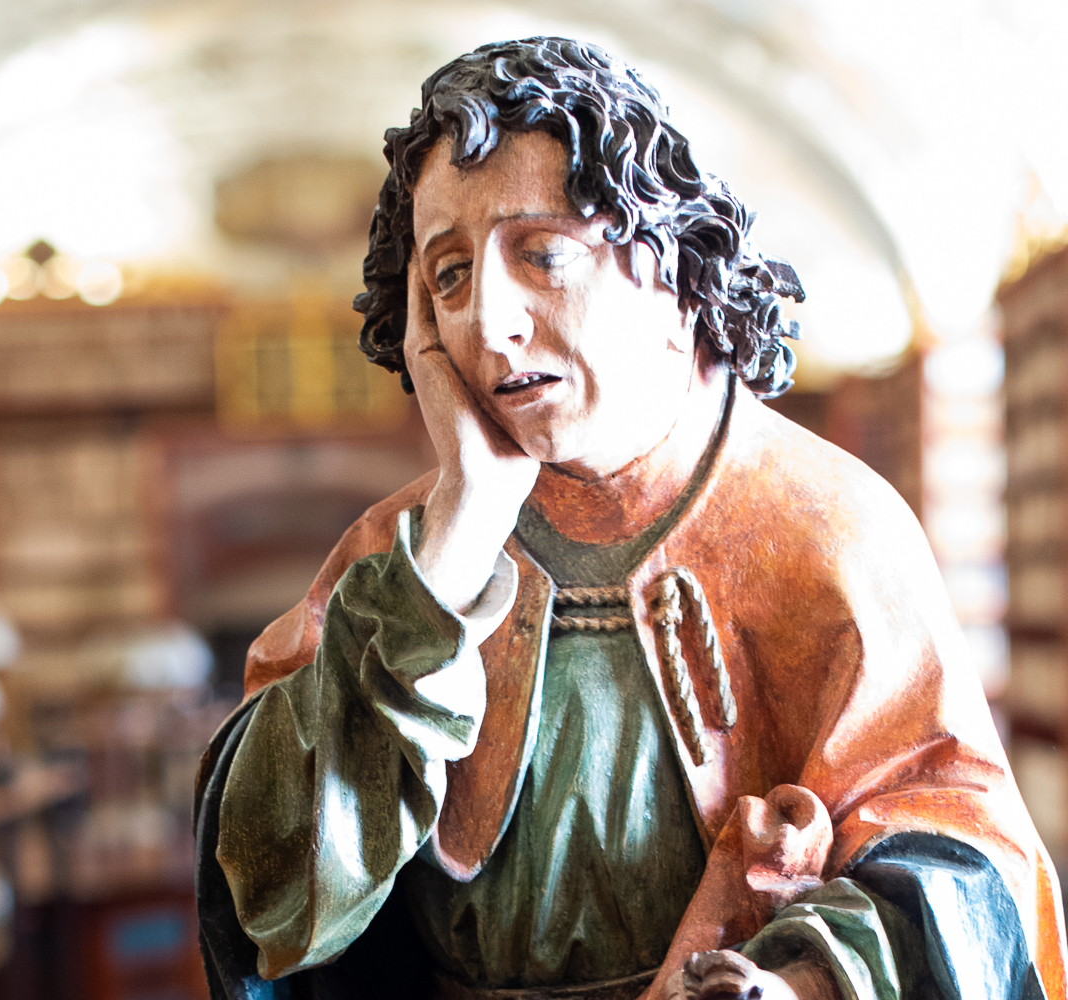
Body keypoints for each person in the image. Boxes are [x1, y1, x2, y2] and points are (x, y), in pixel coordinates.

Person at [194, 36, 1068, 1000]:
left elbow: (963, 865)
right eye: (447, 275)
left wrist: (808, 982)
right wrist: (450, 551)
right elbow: (269, 906)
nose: (489, 321)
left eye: (543, 255)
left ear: (672, 272)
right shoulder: (392, 557)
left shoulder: (831, 529)